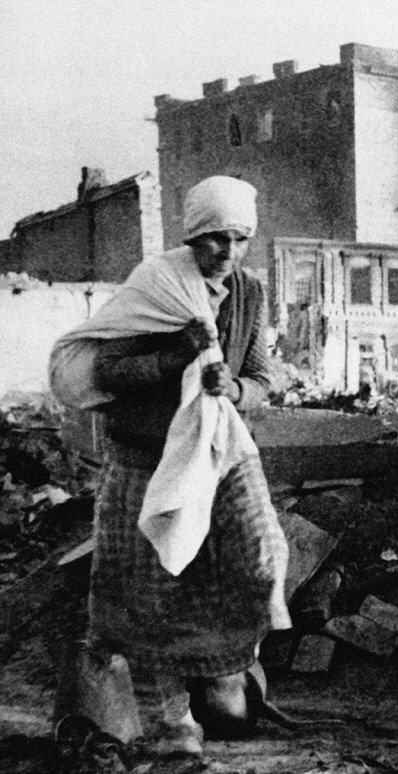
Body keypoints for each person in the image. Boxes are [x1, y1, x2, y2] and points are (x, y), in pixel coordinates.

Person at [78, 176, 289, 757]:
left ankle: (223, 669)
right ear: (193, 236)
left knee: (262, 559)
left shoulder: (248, 291)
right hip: (144, 457)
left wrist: (236, 386)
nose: (228, 251)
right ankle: (171, 734)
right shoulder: (156, 283)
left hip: (217, 449)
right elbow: (106, 372)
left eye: (240, 238)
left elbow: (266, 380)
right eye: (216, 238)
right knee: (147, 597)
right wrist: (178, 360)